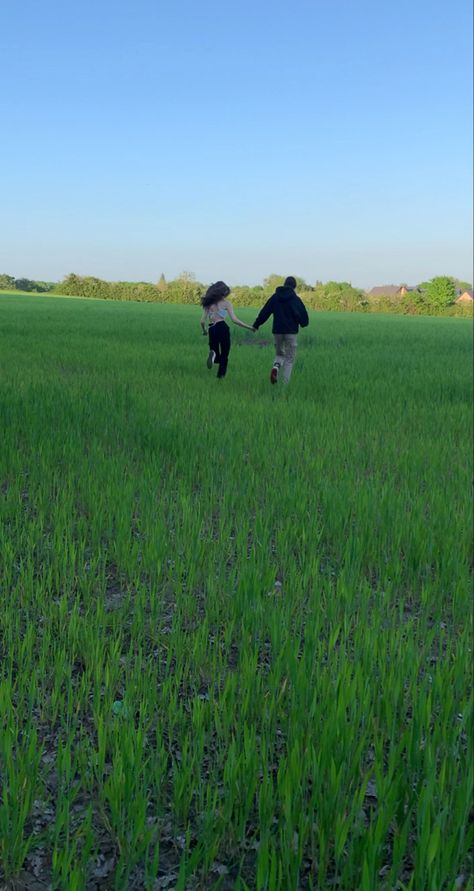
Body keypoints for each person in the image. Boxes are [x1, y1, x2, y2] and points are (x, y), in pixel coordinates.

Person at [252, 276, 309, 384]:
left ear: (284, 284)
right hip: (291, 332)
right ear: (294, 286)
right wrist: (303, 323)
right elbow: (304, 317)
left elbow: (265, 312)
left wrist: (256, 324)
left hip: (277, 332)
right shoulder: (295, 299)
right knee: (289, 358)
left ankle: (276, 367)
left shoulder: (275, 297)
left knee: (279, 354)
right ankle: (284, 385)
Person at [200, 281, 254, 378]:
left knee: (214, 350)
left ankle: (213, 355)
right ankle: (220, 377)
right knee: (225, 353)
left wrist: (204, 331)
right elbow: (235, 320)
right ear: (223, 292)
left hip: (211, 328)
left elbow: (202, 321)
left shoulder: (208, 303)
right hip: (222, 328)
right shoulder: (226, 303)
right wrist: (249, 327)